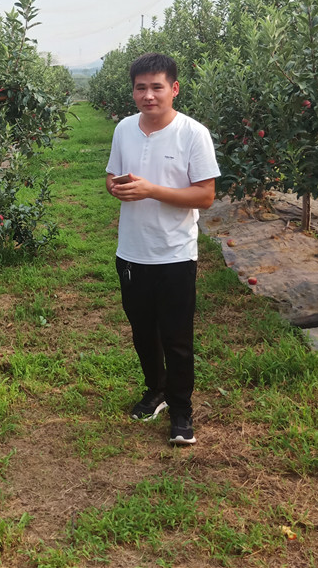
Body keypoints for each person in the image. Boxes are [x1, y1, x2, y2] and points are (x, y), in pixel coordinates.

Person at [105, 52, 220, 445]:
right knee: (141, 332)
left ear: (173, 89)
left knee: (176, 337)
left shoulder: (193, 134)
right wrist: (117, 187)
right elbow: (111, 177)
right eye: (141, 88)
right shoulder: (123, 129)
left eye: (157, 87)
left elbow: (205, 196)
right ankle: (155, 391)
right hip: (132, 252)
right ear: (133, 91)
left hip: (174, 254)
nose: (148, 95)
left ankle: (182, 412)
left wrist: (150, 189)